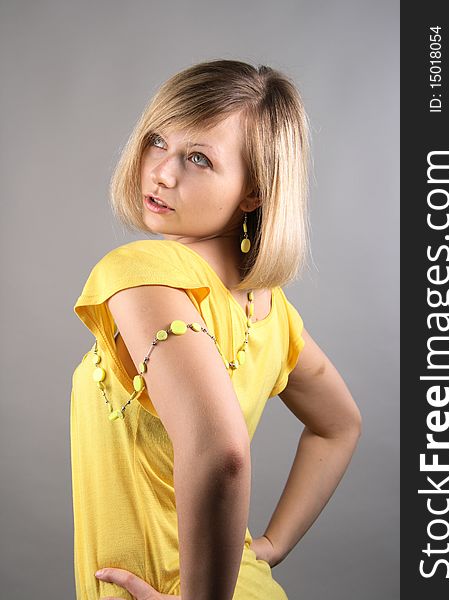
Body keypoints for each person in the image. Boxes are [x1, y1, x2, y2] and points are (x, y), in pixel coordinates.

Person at [70, 59, 362, 600]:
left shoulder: (139, 274)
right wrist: (265, 549)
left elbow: (222, 453)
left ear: (255, 192)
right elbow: (339, 426)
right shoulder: (272, 314)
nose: (161, 171)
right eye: (158, 140)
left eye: (198, 158)